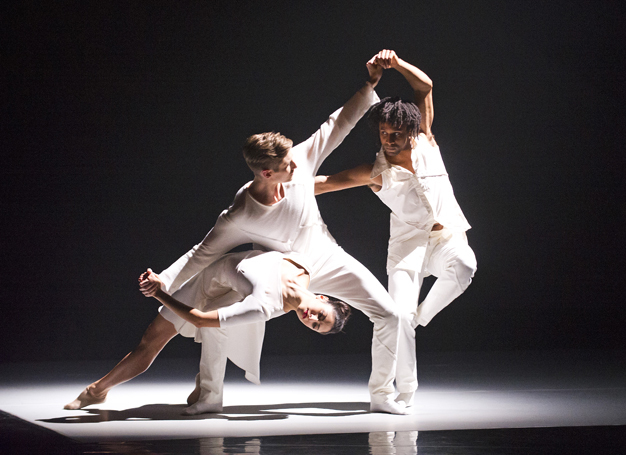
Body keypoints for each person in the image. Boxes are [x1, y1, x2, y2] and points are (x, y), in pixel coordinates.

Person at [68, 57, 407, 415]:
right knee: (215, 312)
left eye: (293, 159)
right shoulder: (239, 216)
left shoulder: (298, 161)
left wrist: (368, 86)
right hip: (275, 275)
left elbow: (335, 125)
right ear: (266, 172)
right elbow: (200, 253)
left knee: (390, 314)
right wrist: (163, 280)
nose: (297, 166)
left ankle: (382, 394)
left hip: (325, 259)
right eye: (287, 166)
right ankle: (208, 394)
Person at [315, 50, 477, 407]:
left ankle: (421, 317)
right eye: (384, 132)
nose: (389, 139)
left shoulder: (427, 144)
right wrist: (280, 183)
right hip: (407, 247)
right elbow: (325, 183)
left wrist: (397, 63)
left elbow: (425, 86)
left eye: (397, 133)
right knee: (394, 317)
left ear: (411, 131)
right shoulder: (376, 173)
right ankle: (396, 392)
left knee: (464, 267)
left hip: (446, 236)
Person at [65, 250, 351, 414]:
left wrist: (159, 293)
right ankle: (98, 392)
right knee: (149, 341)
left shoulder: (266, 306)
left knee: (211, 331)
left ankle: (208, 392)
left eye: (314, 325)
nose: (310, 317)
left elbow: (200, 320)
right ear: (322, 298)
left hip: (220, 294)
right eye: (320, 315)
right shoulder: (303, 267)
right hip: (208, 276)